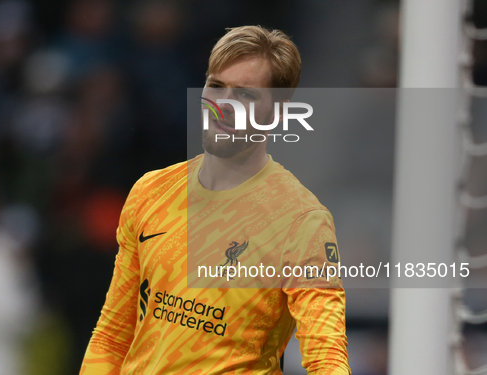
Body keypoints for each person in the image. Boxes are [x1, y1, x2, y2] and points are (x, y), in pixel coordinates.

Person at [80, 26, 350, 374]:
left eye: (246, 96)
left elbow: (326, 358)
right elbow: (113, 335)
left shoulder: (301, 220)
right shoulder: (152, 191)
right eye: (216, 86)